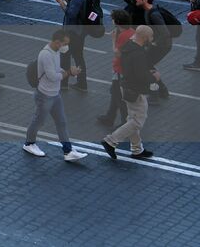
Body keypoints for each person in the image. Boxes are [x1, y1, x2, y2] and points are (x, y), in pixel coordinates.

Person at [23, 29, 87, 162]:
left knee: (61, 122)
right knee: (38, 121)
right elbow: (52, 76)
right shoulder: (46, 54)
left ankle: (68, 151)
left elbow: (56, 70)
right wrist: (69, 72)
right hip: (44, 95)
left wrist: (68, 71)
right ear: (57, 42)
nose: (66, 47)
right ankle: (29, 144)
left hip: (54, 94)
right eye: (65, 44)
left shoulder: (56, 51)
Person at [101, 24, 156, 161]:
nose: (151, 39)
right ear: (144, 38)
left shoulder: (128, 46)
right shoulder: (138, 53)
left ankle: (137, 149)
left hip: (125, 86)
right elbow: (141, 75)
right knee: (137, 122)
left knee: (132, 119)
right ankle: (110, 141)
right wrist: (154, 77)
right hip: (135, 90)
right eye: (150, 36)